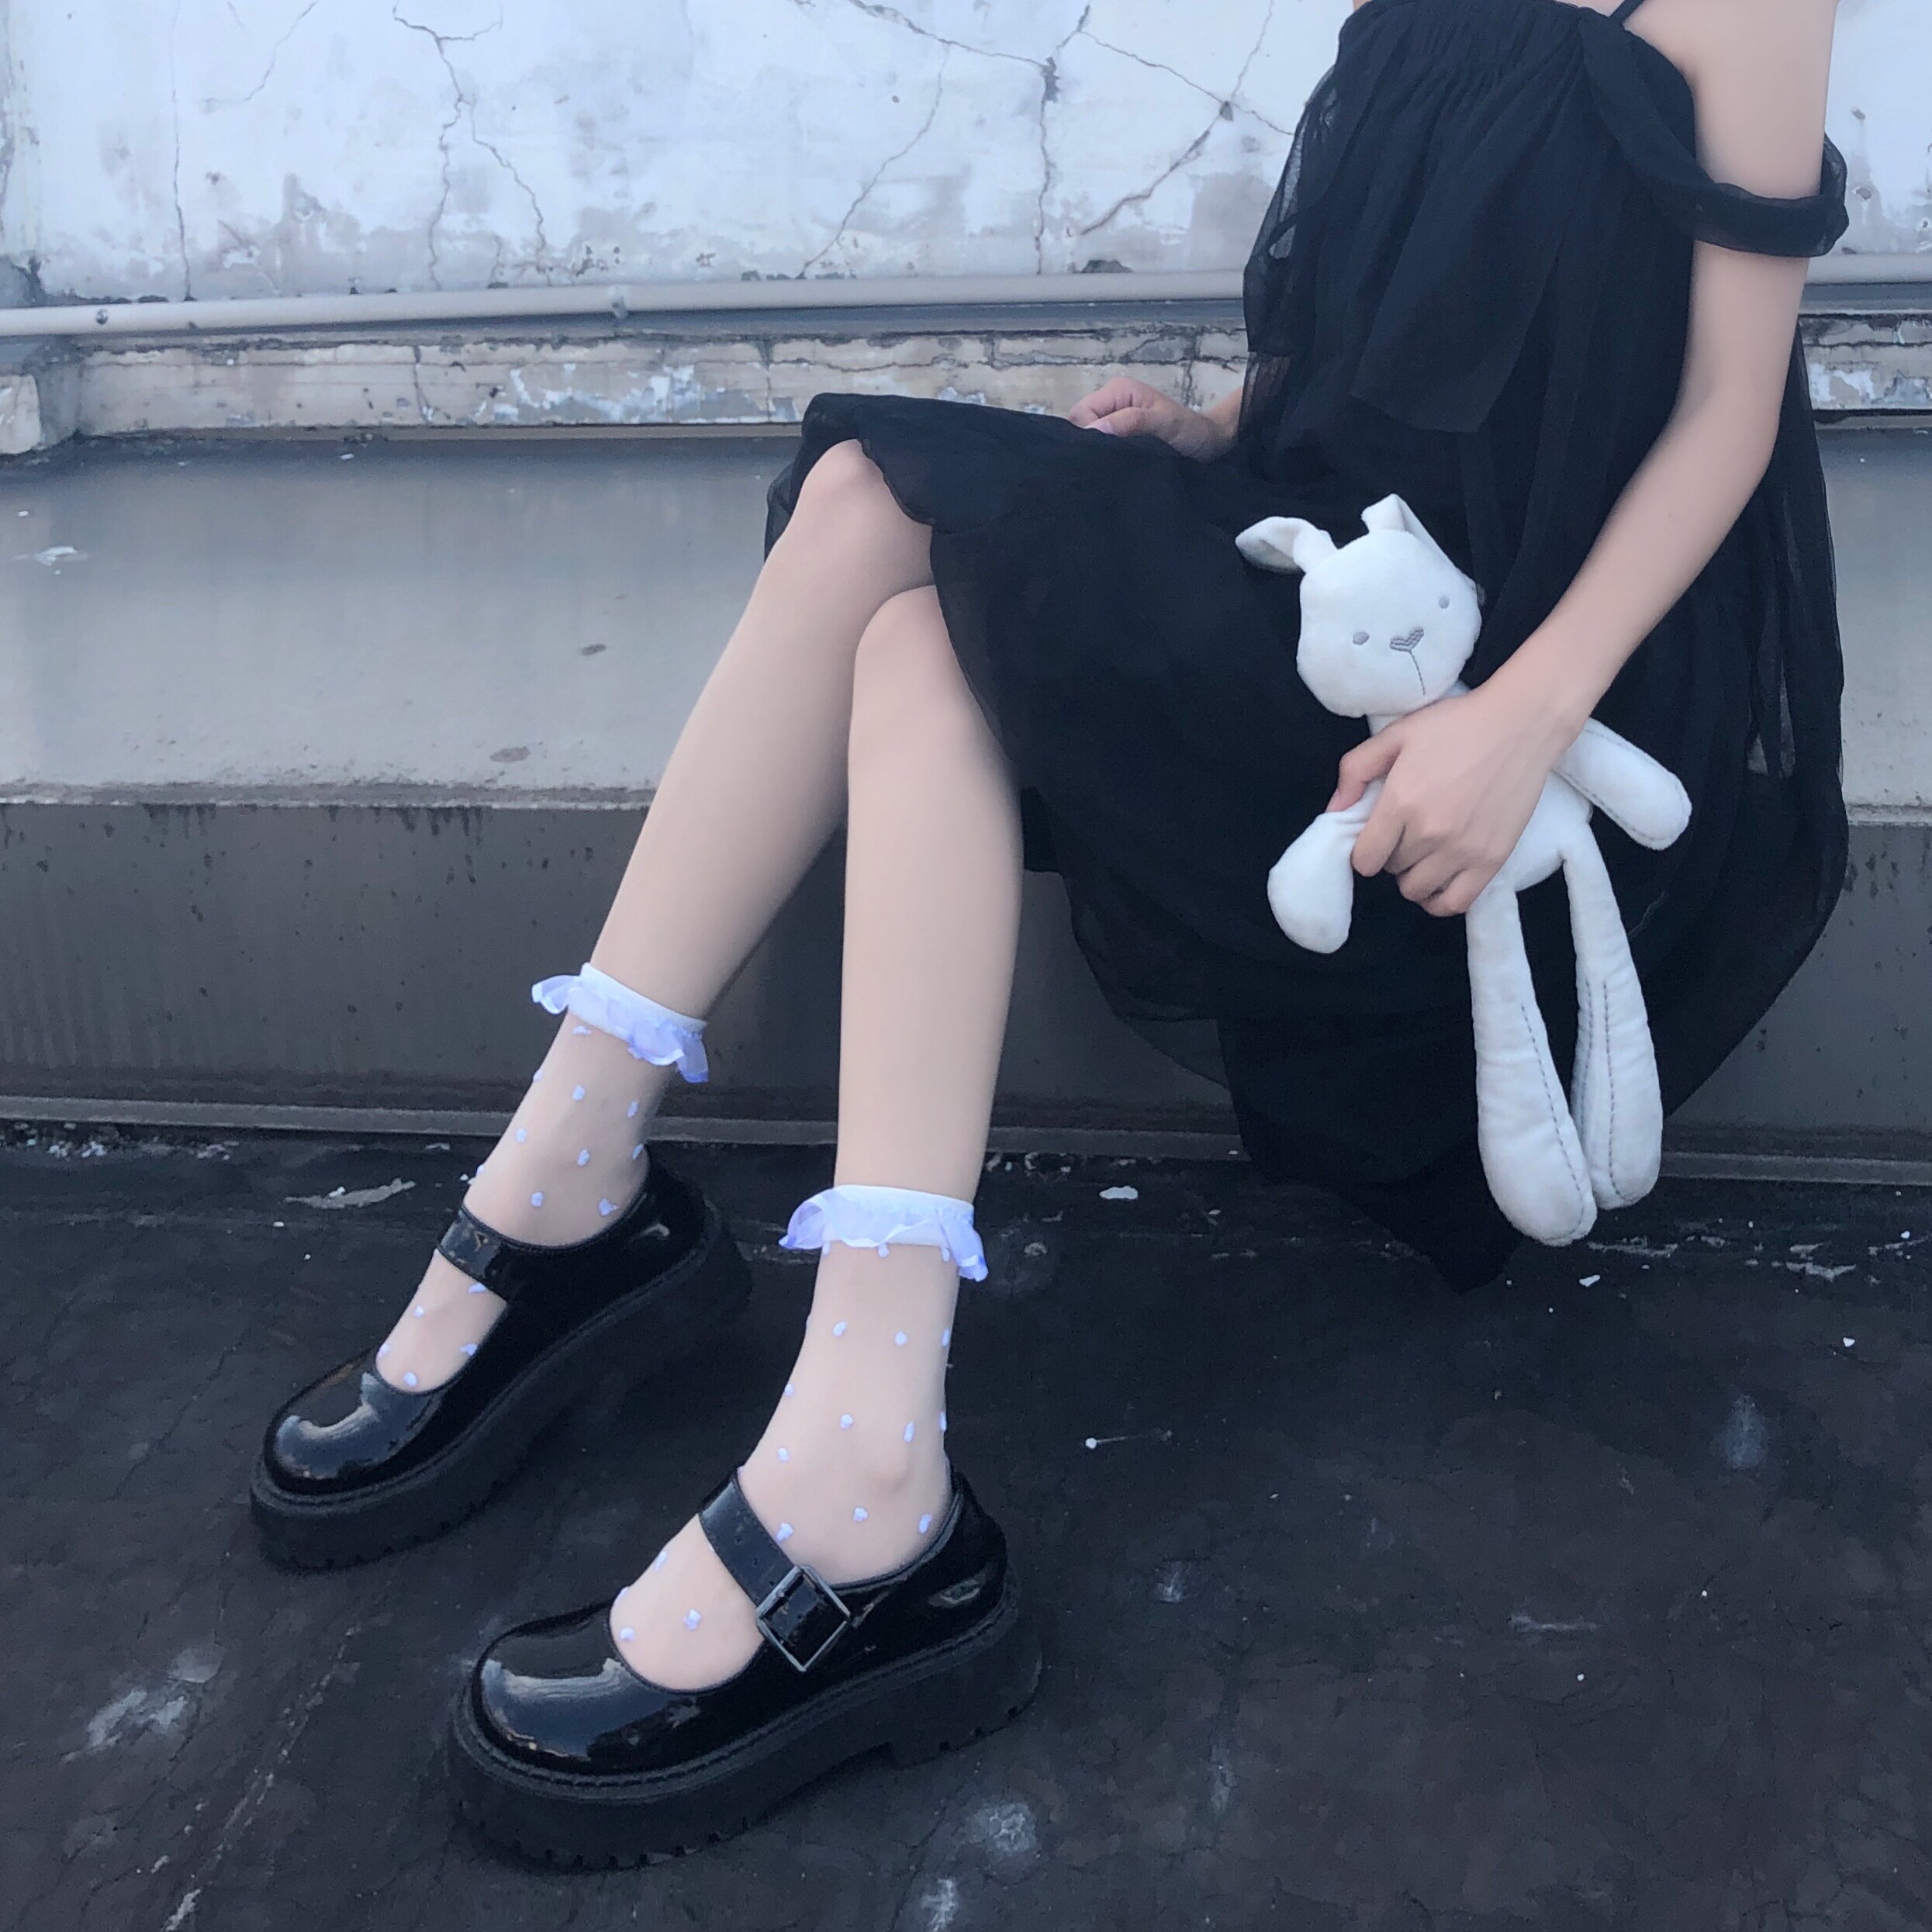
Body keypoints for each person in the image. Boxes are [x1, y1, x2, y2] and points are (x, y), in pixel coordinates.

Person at [251, 0, 1847, 1866]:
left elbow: (1725, 409)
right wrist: (1217, 426)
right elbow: (1413, 295)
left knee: (919, 599)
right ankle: (635, 1236)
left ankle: (711, 1342)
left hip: (1527, 683)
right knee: (880, 529)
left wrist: (1518, 718)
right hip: (1350, 569)